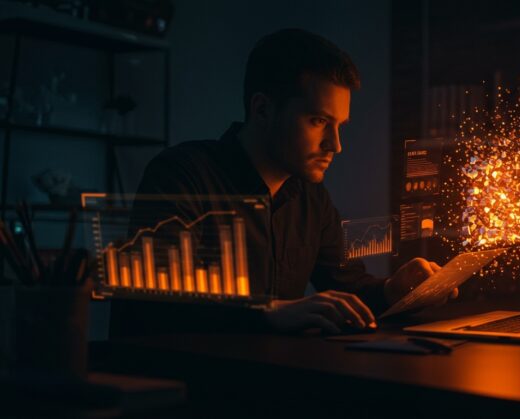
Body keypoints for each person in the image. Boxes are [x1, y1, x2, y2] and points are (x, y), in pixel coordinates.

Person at [113, 29, 453, 336]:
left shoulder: (311, 197)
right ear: (262, 110)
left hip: (269, 381)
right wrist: (266, 311)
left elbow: (347, 287)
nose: (335, 145)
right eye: (318, 121)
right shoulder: (181, 174)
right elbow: (157, 303)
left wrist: (393, 289)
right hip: (185, 388)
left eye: (340, 126)